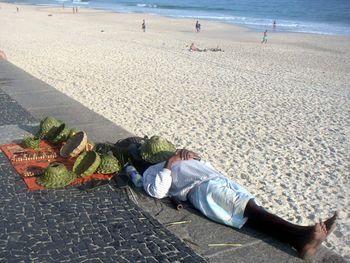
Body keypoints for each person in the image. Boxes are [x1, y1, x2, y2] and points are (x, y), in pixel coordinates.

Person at [142, 148, 338, 259]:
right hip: (203, 188)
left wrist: (196, 157)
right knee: (250, 209)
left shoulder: (178, 157)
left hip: (219, 179)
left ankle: (299, 241)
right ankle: (301, 233)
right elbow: (157, 192)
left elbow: (207, 166)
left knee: (252, 214)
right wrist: (169, 162)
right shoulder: (153, 170)